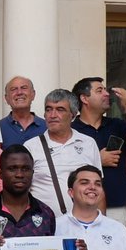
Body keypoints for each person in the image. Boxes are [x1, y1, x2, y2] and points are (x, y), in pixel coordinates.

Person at [72, 77, 126, 219]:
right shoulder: (72, 130)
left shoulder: (116, 125)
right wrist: (97, 160)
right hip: (84, 207)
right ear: (84, 98)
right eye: (99, 90)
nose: (107, 94)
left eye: (106, 90)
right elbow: (64, 167)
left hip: (120, 207)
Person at [24, 89, 100, 218]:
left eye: (60, 109)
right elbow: (24, 191)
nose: (52, 115)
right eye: (48, 109)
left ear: (73, 115)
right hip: (43, 226)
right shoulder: (31, 146)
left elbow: (98, 188)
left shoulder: (88, 143)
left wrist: (99, 225)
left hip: (83, 225)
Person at [0, 76, 44, 147]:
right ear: (6, 98)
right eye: (13, 89)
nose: (19, 92)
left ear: (33, 94)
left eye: (24, 88)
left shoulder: (47, 127)